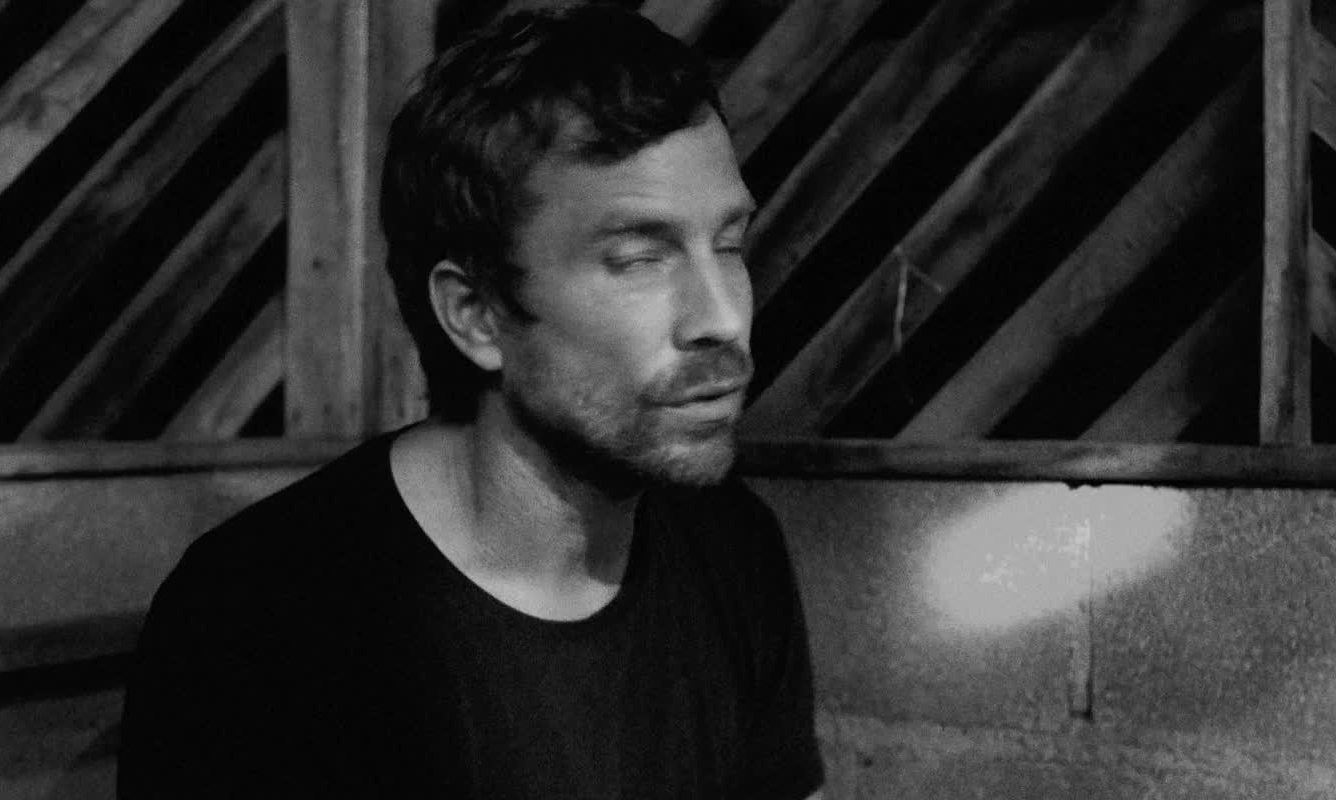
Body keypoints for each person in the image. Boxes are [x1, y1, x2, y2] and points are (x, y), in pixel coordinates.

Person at [117, 6, 824, 798]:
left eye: (728, 244)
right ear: (476, 314)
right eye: (638, 259)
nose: (722, 317)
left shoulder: (732, 550)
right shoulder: (258, 622)